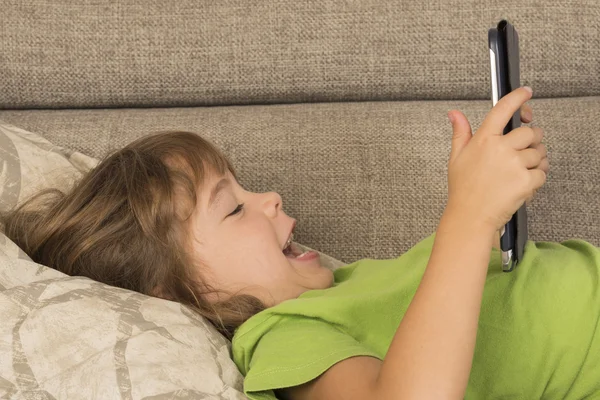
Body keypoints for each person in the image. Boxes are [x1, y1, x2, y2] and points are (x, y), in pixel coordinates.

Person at [3, 86, 598, 400]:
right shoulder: (282, 337)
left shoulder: (347, 285)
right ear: (175, 292)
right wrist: (467, 217)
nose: (271, 200)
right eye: (234, 208)